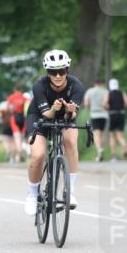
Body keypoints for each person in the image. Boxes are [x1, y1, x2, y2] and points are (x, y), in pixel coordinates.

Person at [24, 49, 85, 215]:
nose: (58, 75)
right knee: (38, 155)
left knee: (71, 142)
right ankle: (32, 194)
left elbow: (71, 116)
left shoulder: (76, 86)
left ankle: (70, 192)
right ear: (47, 72)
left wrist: (71, 111)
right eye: (53, 71)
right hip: (40, 116)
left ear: (67, 70)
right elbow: (47, 115)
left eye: (62, 71)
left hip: (64, 117)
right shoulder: (39, 86)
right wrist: (53, 108)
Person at [103, 78, 127, 161]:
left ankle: (114, 155)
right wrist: (122, 107)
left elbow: (104, 104)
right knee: (120, 134)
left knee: (112, 135)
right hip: (121, 114)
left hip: (113, 114)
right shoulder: (122, 93)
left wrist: (108, 108)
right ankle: (124, 146)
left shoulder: (109, 93)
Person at [83, 80, 110, 162]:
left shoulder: (90, 91)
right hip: (104, 115)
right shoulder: (105, 91)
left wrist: (92, 105)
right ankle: (101, 151)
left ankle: (99, 150)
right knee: (101, 134)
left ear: (95, 83)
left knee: (96, 134)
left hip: (94, 114)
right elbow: (106, 103)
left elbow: (86, 103)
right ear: (102, 84)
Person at [7, 85, 29, 163]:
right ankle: (18, 157)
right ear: (21, 89)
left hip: (14, 118)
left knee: (16, 138)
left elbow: (9, 109)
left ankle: (18, 152)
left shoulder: (11, 98)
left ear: (14, 89)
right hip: (23, 118)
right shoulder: (24, 98)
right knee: (21, 137)